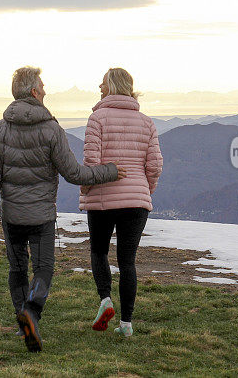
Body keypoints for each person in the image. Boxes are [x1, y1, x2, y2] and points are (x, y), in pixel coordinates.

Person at [0, 66, 126, 352]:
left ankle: (24, 322)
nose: (45, 90)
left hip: (12, 216)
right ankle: (31, 312)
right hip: (41, 216)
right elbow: (75, 174)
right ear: (34, 92)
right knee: (43, 269)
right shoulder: (51, 129)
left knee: (17, 268)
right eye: (42, 86)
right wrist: (110, 171)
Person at [79, 67, 163, 337]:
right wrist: (144, 190)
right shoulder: (147, 122)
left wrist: (87, 189)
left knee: (99, 251)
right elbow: (155, 166)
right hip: (137, 200)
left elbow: (92, 162)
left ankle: (105, 300)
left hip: (103, 196)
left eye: (102, 83)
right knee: (128, 262)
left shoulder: (97, 118)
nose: (99, 86)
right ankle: (126, 324)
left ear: (111, 86)